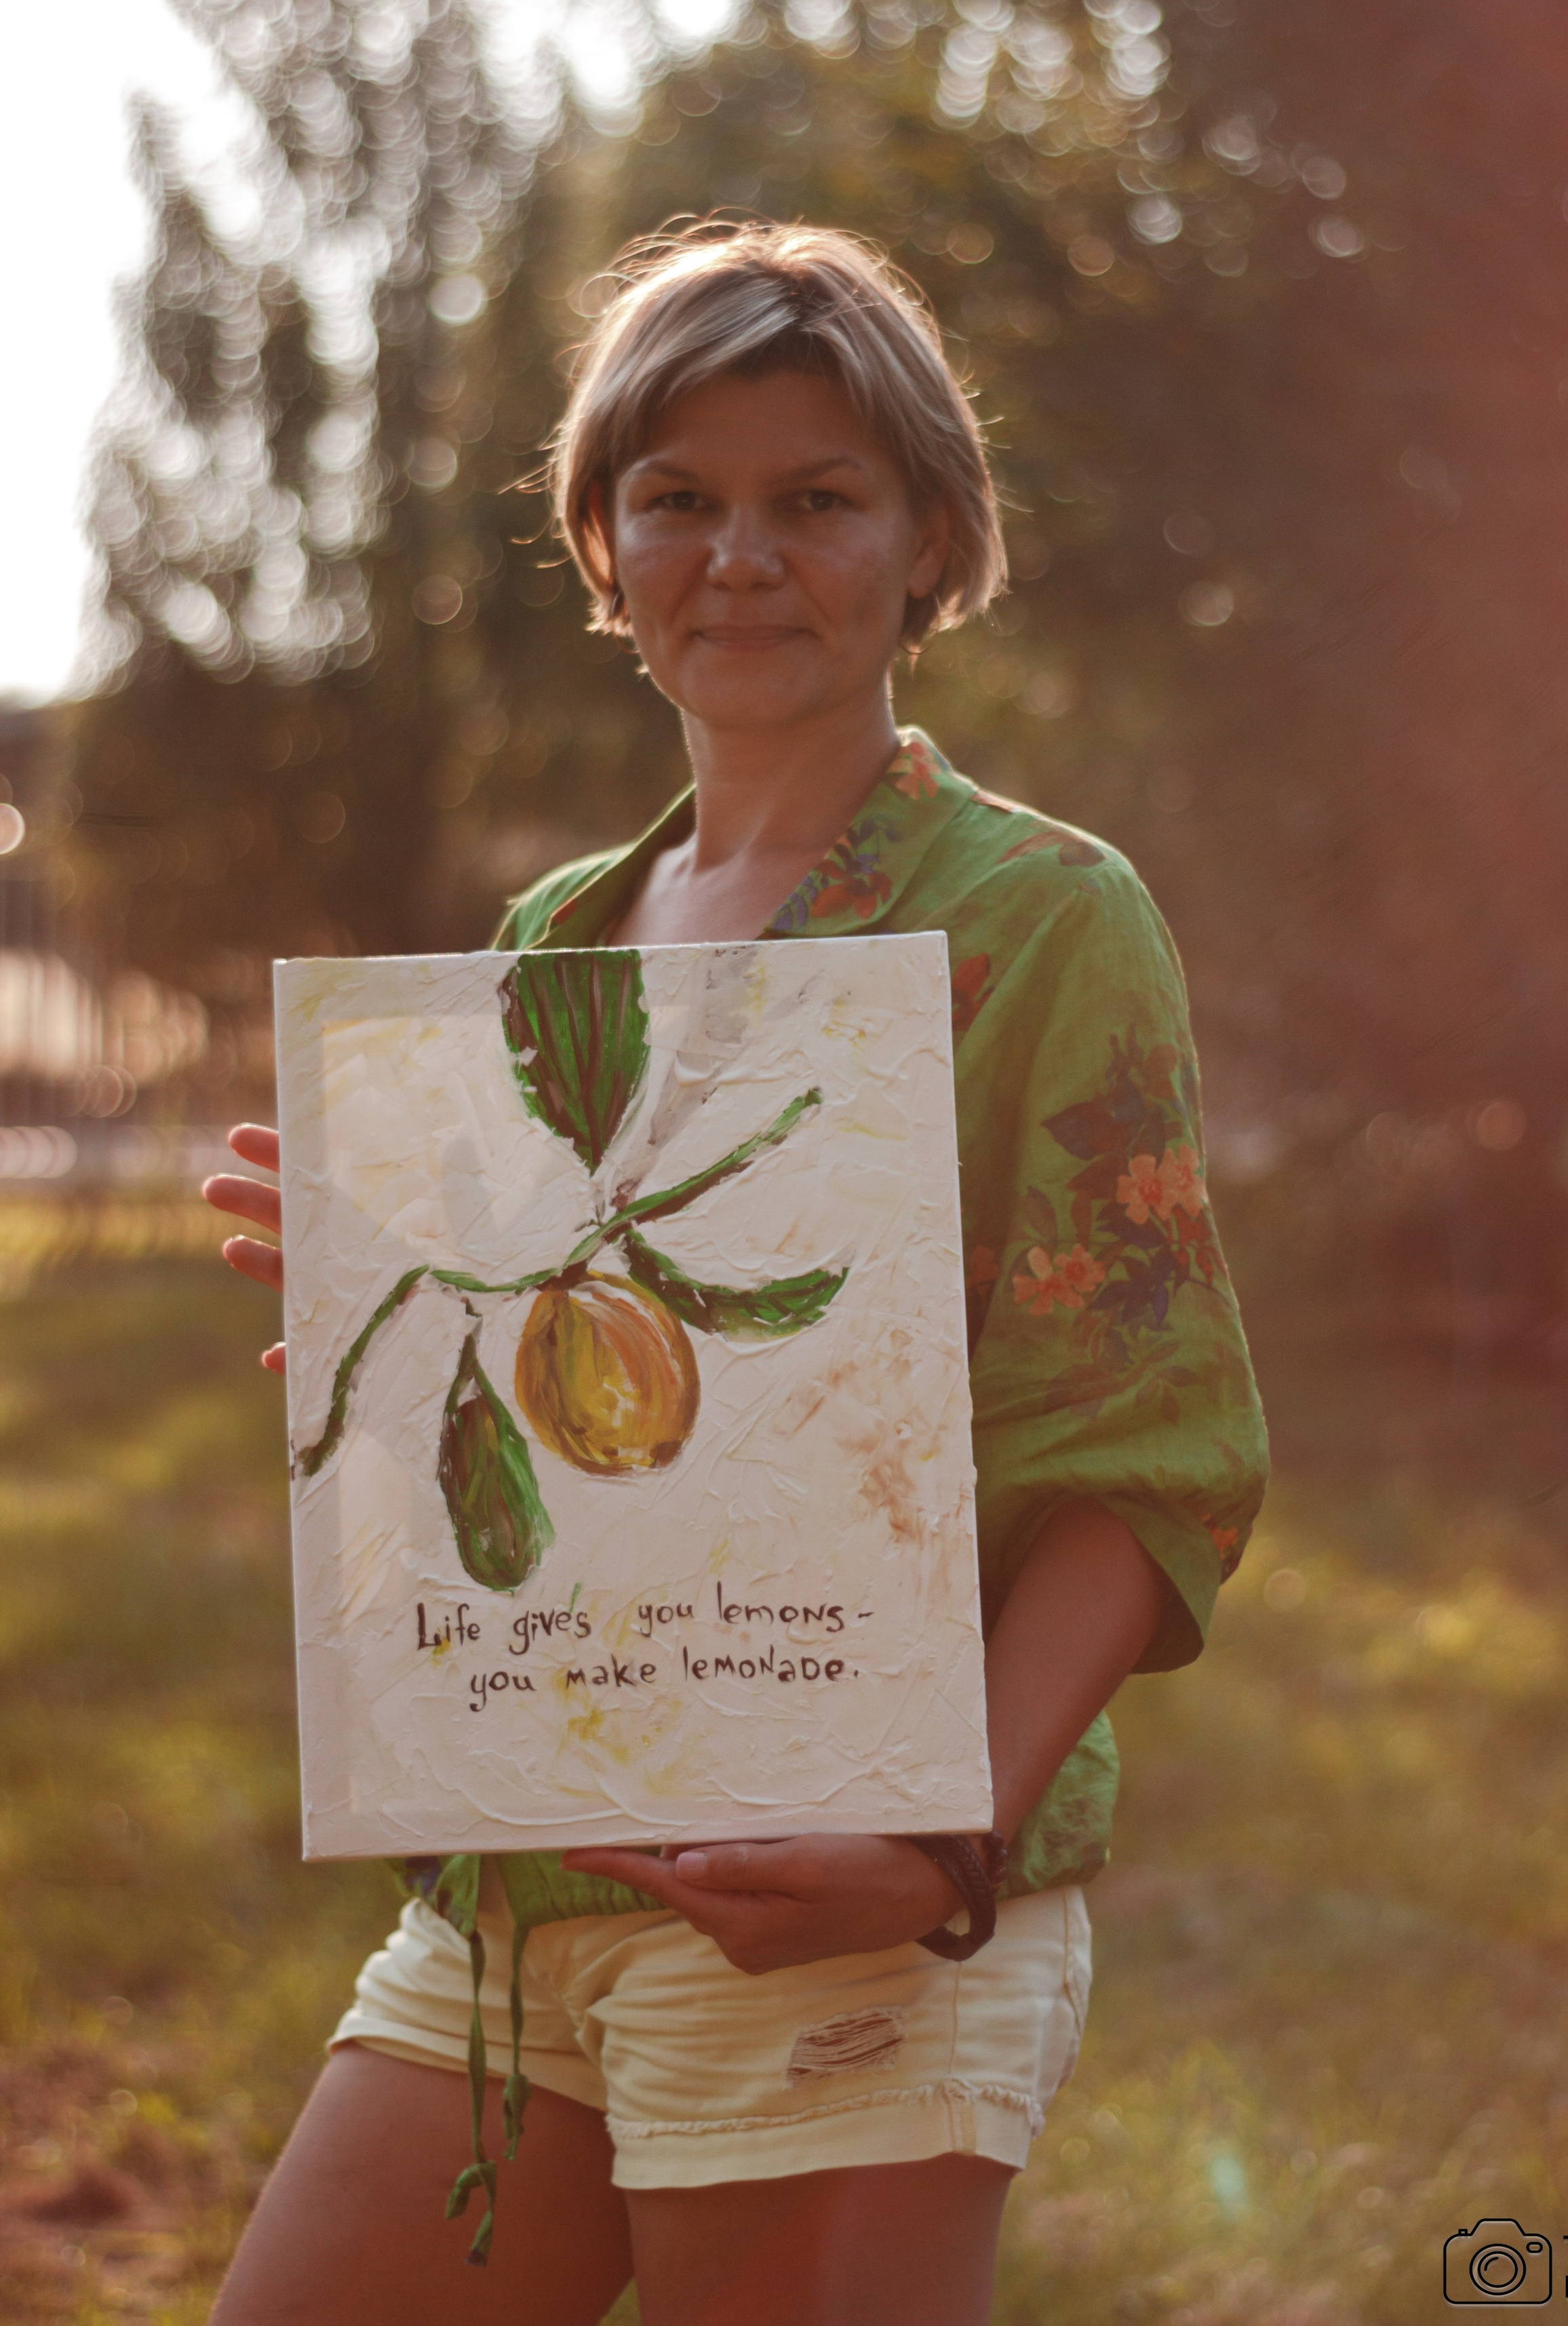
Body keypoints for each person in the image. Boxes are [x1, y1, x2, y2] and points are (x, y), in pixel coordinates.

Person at [202, 220, 1268, 2326]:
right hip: (526, 1882)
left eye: (818, 499)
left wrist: (937, 1848)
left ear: (928, 537)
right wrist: (399, 1338)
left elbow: (1144, 1466)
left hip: (855, 1898)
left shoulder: (1039, 917)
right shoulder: (547, 946)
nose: (743, 558)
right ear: (602, 543)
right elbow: (575, 1444)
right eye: (680, 498)